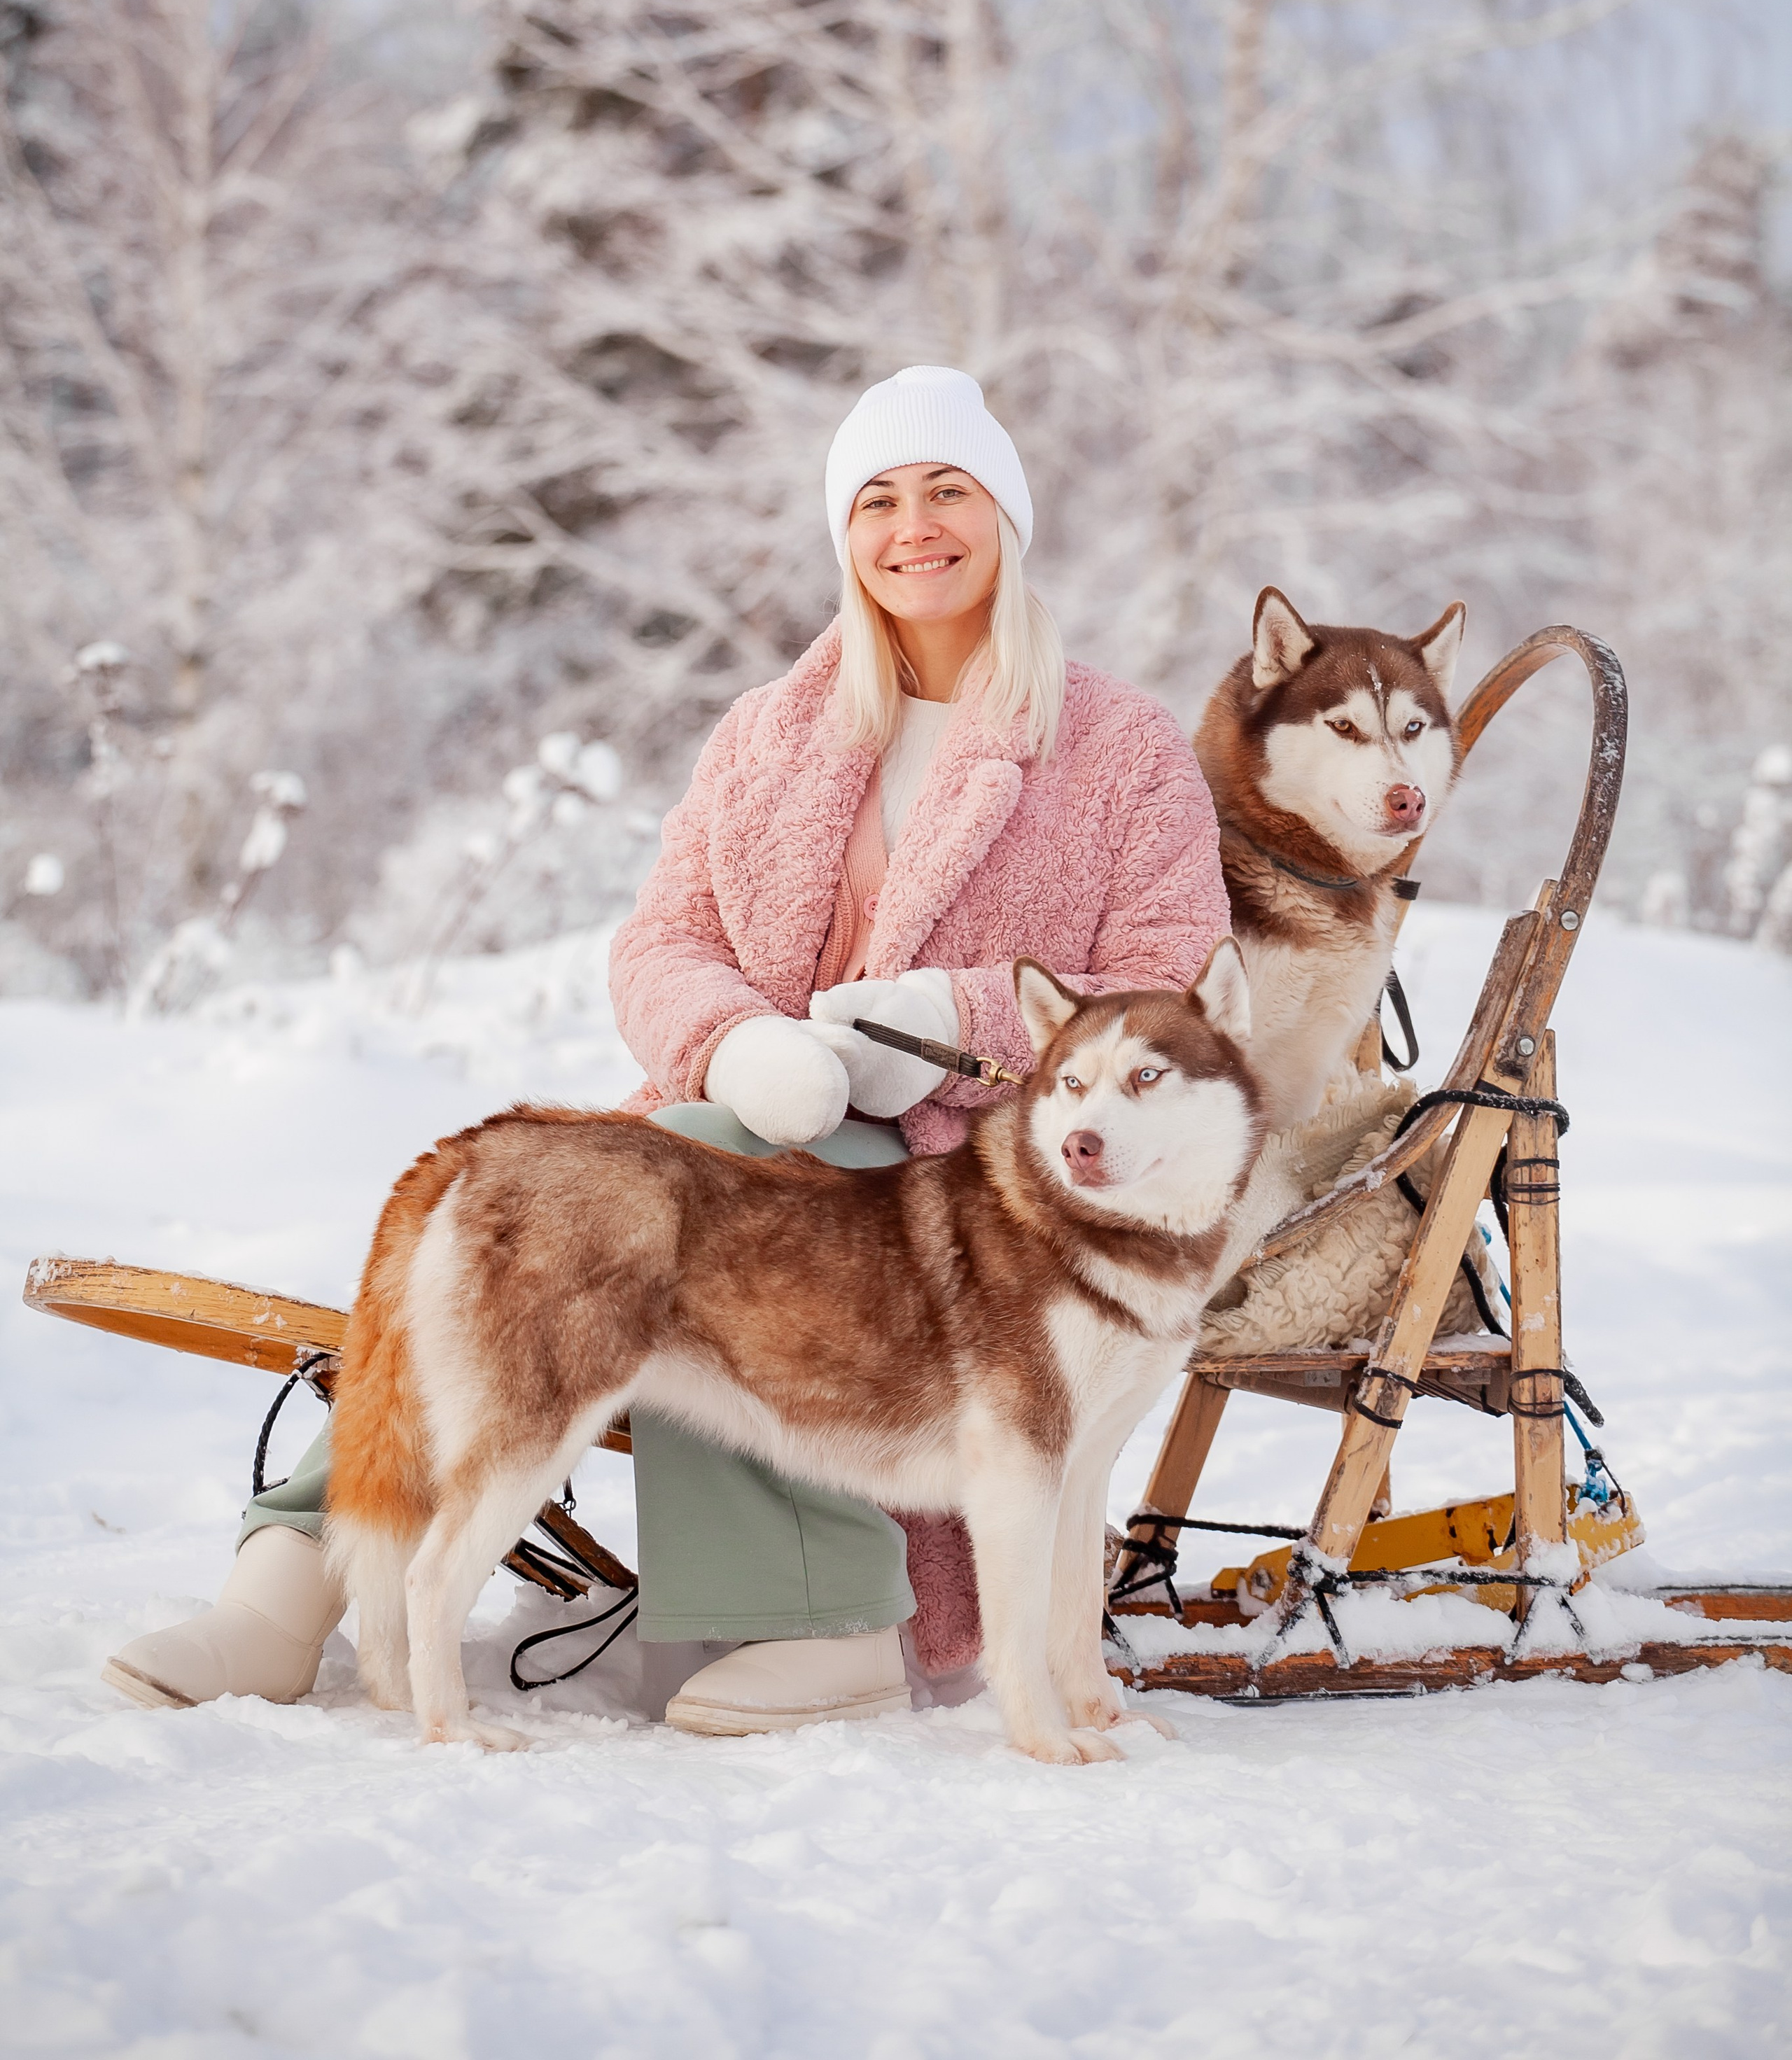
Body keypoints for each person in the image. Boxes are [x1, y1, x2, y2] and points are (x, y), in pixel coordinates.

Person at [104, 365, 1228, 1733]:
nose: (911, 525)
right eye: (874, 498)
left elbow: (1166, 983)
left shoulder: (1118, 747)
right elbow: (658, 940)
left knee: (670, 1191)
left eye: (947, 490)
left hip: (957, 1175)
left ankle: (826, 1615)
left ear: (1006, 513)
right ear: (843, 534)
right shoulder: (770, 734)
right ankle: (285, 1590)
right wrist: (737, 1040)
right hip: (740, 1120)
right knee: (520, 1222)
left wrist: (951, 1020)